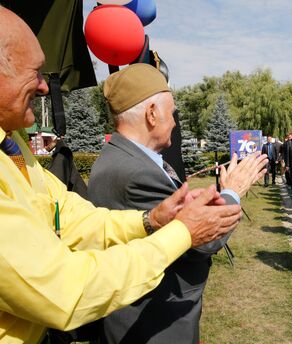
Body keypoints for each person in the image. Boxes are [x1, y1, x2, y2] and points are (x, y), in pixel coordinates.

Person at [0, 7, 247, 343]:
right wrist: (197, 219)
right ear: (152, 113)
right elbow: (66, 290)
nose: (44, 86)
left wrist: (151, 220)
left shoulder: (11, 143)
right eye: (34, 72)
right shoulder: (128, 168)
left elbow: (67, 215)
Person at [86, 64, 267, 343]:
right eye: (172, 113)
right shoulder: (136, 172)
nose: (173, 121)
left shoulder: (125, 158)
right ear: (152, 114)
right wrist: (233, 191)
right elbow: (200, 241)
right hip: (153, 320)